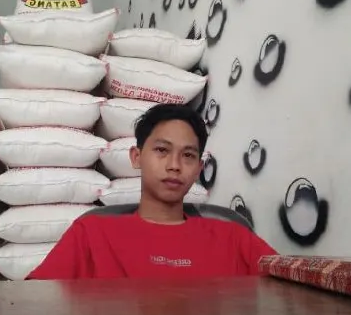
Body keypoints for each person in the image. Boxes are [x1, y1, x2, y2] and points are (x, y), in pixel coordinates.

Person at [27, 103, 276, 280]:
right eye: (161, 150)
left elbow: (292, 284)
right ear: (137, 157)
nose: (174, 165)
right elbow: (36, 304)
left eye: (188, 155)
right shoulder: (91, 235)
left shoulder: (234, 237)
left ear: (199, 168)